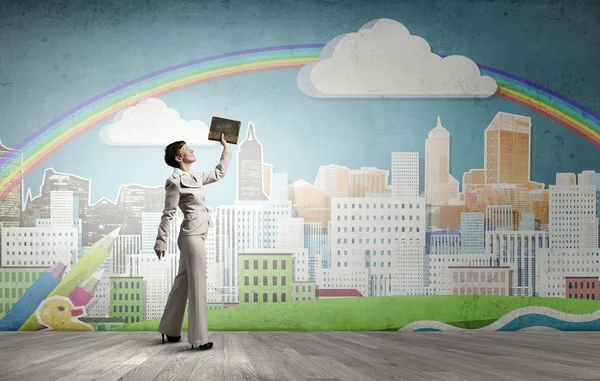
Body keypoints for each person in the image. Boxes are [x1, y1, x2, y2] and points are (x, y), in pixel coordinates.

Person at [154, 133, 231, 350]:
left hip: (199, 232)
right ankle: (199, 338)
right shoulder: (174, 182)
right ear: (179, 158)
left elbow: (219, 173)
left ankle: (169, 329)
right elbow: (168, 213)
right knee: (198, 284)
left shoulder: (196, 177)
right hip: (190, 236)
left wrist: (225, 148)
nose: (192, 151)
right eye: (187, 149)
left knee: (182, 283)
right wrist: (161, 242)